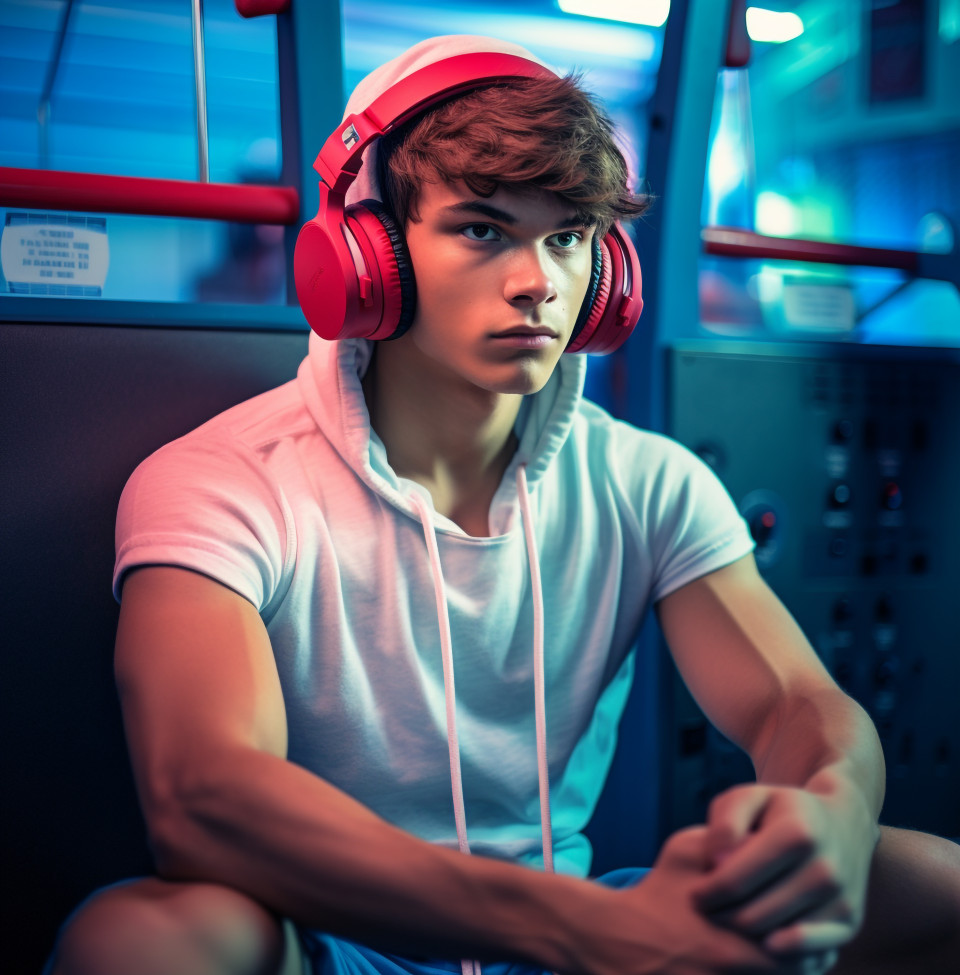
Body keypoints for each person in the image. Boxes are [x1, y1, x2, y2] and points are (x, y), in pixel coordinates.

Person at [46, 34, 958, 975]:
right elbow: (204, 796)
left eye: (568, 237)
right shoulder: (223, 479)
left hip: (582, 930)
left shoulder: (645, 478)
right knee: (142, 940)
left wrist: (831, 819)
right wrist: (591, 928)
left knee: (935, 885)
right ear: (370, 254)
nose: (539, 283)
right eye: (482, 229)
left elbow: (797, 703)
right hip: (340, 938)